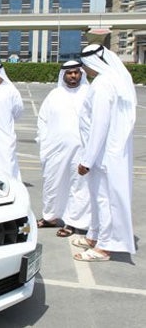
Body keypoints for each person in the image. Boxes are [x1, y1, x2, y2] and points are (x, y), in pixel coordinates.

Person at [72, 44, 137, 262]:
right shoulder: (113, 80)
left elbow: (99, 125)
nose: (83, 70)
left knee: (104, 199)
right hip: (108, 152)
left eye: (84, 65)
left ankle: (104, 247)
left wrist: (87, 161)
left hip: (102, 154)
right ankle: (95, 236)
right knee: (99, 197)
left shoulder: (102, 84)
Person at [36, 60, 91, 237]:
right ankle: (50, 217)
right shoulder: (54, 94)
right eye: (69, 73)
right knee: (52, 182)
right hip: (55, 149)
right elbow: (43, 120)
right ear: (64, 75)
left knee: (78, 185)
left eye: (76, 72)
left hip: (81, 149)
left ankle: (74, 222)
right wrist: (44, 142)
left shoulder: (89, 93)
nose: (73, 76)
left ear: (81, 74)